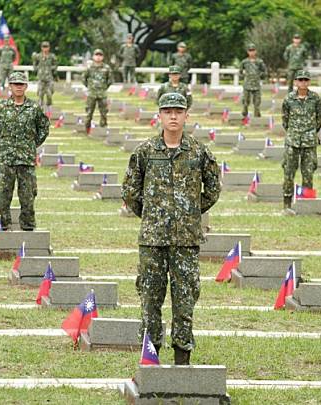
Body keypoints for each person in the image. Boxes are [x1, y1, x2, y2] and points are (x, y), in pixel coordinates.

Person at [122, 92, 220, 365]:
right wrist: (152, 214)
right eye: (168, 111)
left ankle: (182, 358)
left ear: (186, 115)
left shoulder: (199, 152)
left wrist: (189, 211)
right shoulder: (145, 151)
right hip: (153, 239)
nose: (173, 116)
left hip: (186, 241)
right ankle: (150, 357)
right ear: (160, 116)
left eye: (178, 111)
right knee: (150, 299)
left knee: (185, 300)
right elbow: (130, 190)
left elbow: (213, 188)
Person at [0, 72, 49, 231]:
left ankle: (27, 227)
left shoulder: (34, 108)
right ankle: (2, 226)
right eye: (15, 84)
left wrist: (32, 144)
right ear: (10, 86)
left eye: (21, 84)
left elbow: (44, 128)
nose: (18, 87)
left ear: (26, 86)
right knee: (2, 195)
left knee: (27, 196)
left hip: (26, 160)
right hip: (6, 159)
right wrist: (1, 142)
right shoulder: (0, 106)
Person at [281, 70, 321, 209]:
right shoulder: (289, 99)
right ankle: (287, 202)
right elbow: (285, 119)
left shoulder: (315, 98)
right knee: (289, 172)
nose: (303, 82)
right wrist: (294, 132)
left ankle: (307, 203)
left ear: (309, 82)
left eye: (305, 80)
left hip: (309, 141)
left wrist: (311, 132)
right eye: (300, 80)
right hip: (292, 140)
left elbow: (319, 119)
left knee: (308, 173)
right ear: (295, 82)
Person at [82, 49, 113, 132]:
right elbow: (84, 78)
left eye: (100, 55)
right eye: (96, 55)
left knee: (103, 113)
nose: (98, 57)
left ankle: (103, 129)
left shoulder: (106, 68)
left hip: (102, 94)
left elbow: (110, 80)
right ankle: (87, 129)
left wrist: (104, 88)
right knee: (89, 112)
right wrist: (89, 87)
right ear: (93, 56)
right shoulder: (89, 67)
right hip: (91, 93)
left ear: (102, 57)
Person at [239, 43, 267, 118]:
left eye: (253, 50)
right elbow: (240, 72)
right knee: (245, 101)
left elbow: (264, 71)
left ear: (256, 51)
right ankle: (244, 116)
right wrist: (242, 77)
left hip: (256, 85)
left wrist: (260, 76)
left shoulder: (259, 62)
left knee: (257, 102)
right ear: (248, 52)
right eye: (250, 50)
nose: (252, 52)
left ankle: (256, 117)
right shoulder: (244, 62)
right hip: (247, 84)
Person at [32, 41, 57, 108]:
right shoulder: (38, 56)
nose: (45, 49)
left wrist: (51, 69)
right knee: (40, 94)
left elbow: (55, 65)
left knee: (49, 94)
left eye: (46, 47)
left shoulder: (52, 56)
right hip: (41, 78)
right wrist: (37, 69)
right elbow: (34, 64)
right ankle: (40, 109)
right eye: (44, 47)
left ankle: (49, 108)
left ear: (49, 48)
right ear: (41, 48)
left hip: (49, 78)